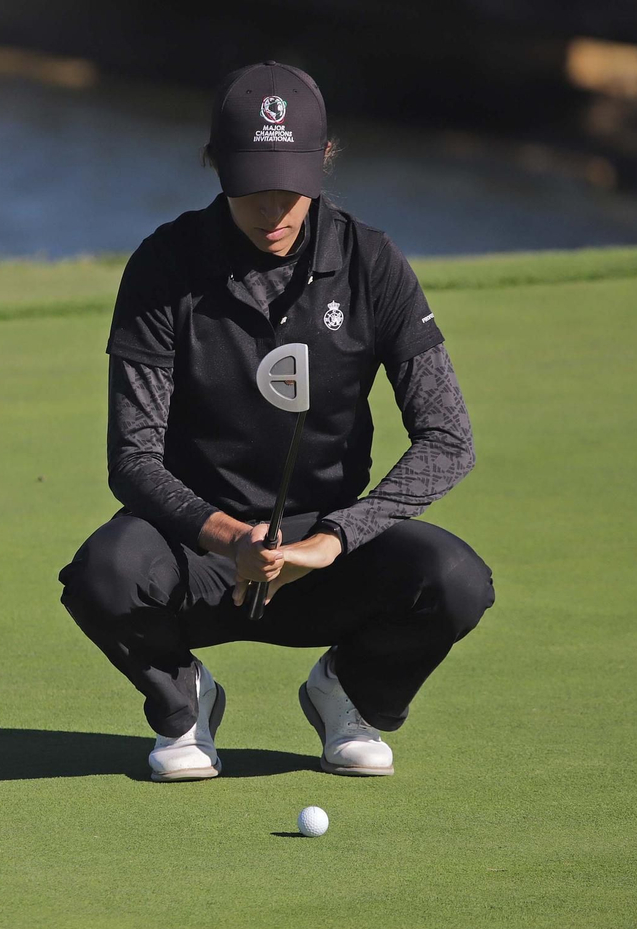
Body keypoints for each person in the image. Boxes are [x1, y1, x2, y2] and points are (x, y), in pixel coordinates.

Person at [57, 61, 494, 782]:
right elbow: (132, 457)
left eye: (292, 184)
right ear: (215, 166)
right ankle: (182, 701)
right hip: (198, 549)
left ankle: (349, 692)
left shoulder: (371, 261)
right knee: (103, 575)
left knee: (455, 579)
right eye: (253, 186)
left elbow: (448, 439)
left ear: (325, 160)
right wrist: (228, 538)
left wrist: (332, 540)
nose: (275, 209)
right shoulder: (165, 264)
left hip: (329, 560)